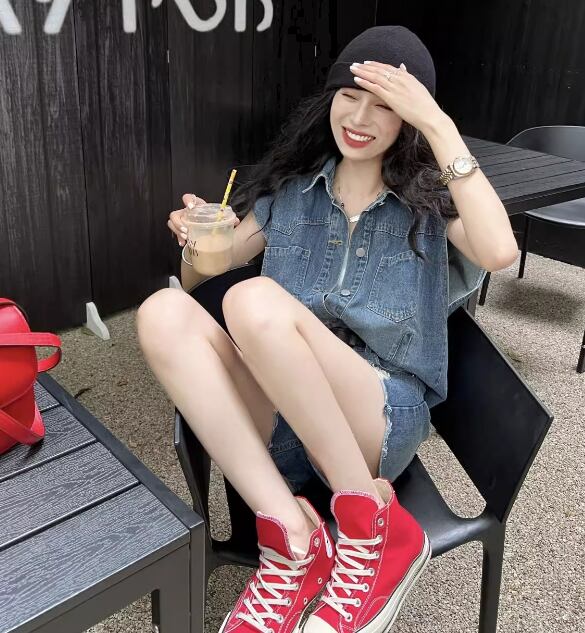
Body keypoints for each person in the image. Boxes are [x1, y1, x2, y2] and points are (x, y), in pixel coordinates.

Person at [137, 25, 518, 633]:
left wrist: (440, 124)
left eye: (385, 105)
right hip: (286, 420)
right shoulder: (292, 191)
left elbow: (500, 250)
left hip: (376, 422)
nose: (360, 118)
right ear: (330, 99)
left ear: (411, 119)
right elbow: (205, 270)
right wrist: (196, 237)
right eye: (350, 95)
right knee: (162, 311)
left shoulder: (432, 206)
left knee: (254, 302)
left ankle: (373, 534)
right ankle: (293, 540)